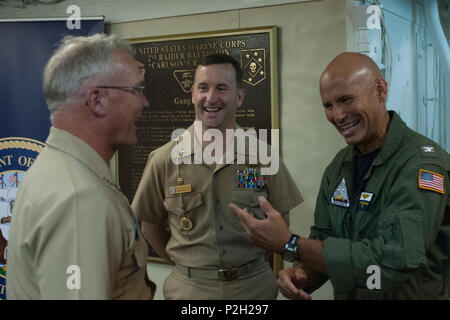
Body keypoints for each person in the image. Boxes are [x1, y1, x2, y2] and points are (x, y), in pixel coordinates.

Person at [230, 52, 450, 299]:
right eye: (328, 105)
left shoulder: (422, 165)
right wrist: (303, 275)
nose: (338, 115)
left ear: (380, 91)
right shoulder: (340, 166)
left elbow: (391, 264)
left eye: (346, 100)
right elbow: (326, 238)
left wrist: (291, 244)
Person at [132, 54, 303, 299]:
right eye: (203, 88)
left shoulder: (264, 158)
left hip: (253, 289)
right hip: (189, 292)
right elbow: (150, 226)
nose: (211, 98)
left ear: (240, 97)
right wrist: (188, 267)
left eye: (221, 88)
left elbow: (281, 222)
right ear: (192, 94)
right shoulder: (163, 160)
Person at [7, 34, 156, 299]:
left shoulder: (58, 169)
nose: (144, 103)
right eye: (136, 90)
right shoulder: (80, 199)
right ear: (97, 100)